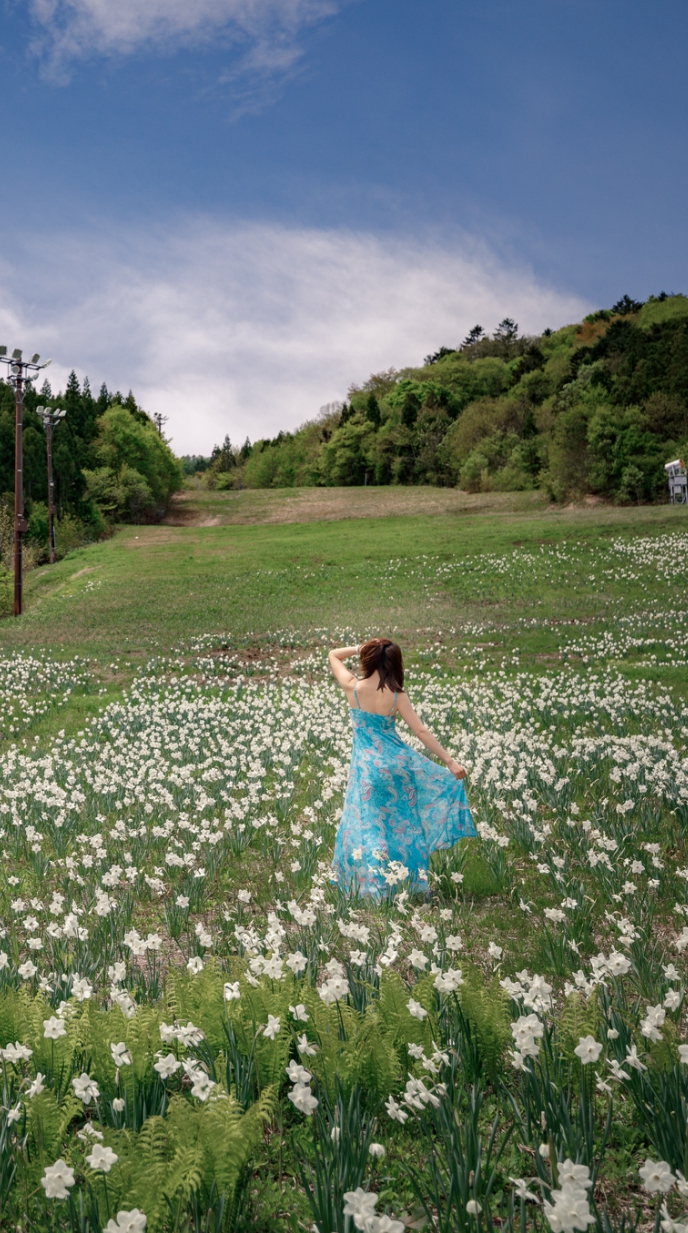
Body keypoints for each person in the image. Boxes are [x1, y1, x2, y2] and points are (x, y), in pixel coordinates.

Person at [329, 637, 476, 897]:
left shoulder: (352, 687)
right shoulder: (396, 694)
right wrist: (449, 761)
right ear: (395, 664)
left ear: (368, 659)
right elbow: (420, 730)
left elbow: (333, 655)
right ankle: (415, 885)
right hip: (398, 766)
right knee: (405, 826)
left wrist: (359, 648)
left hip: (367, 771)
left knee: (372, 828)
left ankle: (377, 889)